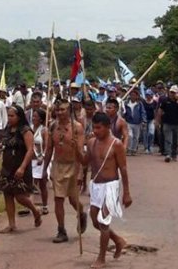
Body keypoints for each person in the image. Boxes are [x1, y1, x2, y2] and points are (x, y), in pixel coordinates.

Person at [79, 112, 132, 269]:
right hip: (96, 185)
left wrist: (127, 193)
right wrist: (76, 149)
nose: (95, 131)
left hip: (110, 186)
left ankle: (101, 258)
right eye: (94, 127)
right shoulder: (91, 142)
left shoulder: (116, 144)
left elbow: (123, 168)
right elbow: (84, 161)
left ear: (108, 127)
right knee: (95, 220)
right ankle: (117, 240)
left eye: (99, 128)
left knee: (103, 221)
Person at [42, 99, 86, 243]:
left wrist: (80, 173)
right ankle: (61, 230)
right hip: (57, 165)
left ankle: (81, 212)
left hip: (73, 165)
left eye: (63, 110)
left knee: (73, 199)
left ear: (69, 111)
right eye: (58, 110)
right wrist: (44, 169)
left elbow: (80, 154)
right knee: (58, 199)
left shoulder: (77, 127)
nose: (60, 112)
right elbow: (49, 149)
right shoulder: (53, 126)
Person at [0, 105, 41, 233]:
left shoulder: (26, 130)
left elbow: (30, 150)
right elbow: (5, 143)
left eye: (12, 116)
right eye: (8, 116)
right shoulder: (8, 129)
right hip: (7, 166)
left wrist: (22, 167)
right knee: (7, 194)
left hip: (20, 166)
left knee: (20, 196)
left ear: (19, 116)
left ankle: (35, 210)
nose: (9, 118)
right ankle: (11, 224)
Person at [157, 85, 178, 162]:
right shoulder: (165, 100)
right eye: (171, 92)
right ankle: (168, 154)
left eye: (174, 92)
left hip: (177, 124)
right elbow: (160, 111)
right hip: (167, 123)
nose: (172, 94)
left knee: (176, 140)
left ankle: (174, 154)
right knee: (168, 139)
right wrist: (158, 121)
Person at [31, 108, 49, 215]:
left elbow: (47, 146)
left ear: (41, 119)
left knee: (42, 184)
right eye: (33, 116)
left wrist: (42, 157)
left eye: (36, 116)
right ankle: (32, 206)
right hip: (31, 160)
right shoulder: (30, 128)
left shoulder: (44, 130)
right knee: (31, 184)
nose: (33, 118)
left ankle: (45, 205)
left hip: (40, 160)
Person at [123, 88, 146, 156]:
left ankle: (134, 149)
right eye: (131, 95)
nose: (133, 96)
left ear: (137, 96)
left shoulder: (139, 104)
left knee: (136, 137)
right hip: (129, 122)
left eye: (134, 95)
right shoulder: (126, 103)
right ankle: (129, 149)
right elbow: (124, 112)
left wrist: (144, 121)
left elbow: (143, 112)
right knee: (130, 136)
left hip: (137, 123)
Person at [141, 89, 157, 154]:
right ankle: (146, 147)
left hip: (152, 119)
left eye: (149, 95)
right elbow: (142, 111)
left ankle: (150, 145)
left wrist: (156, 119)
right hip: (145, 120)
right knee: (145, 134)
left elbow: (155, 111)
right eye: (147, 95)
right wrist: (142, 120)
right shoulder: (143, 102)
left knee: (151, 133)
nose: (148, 96)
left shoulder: (154, 102)